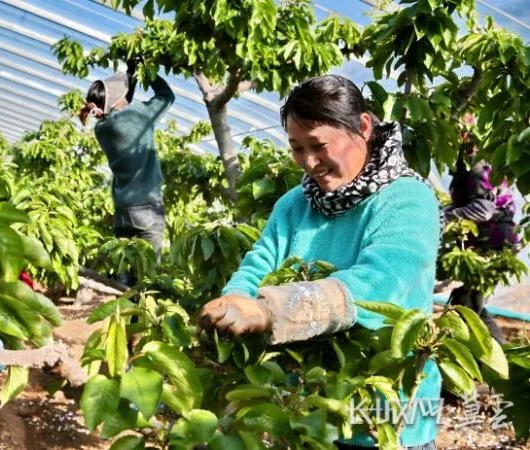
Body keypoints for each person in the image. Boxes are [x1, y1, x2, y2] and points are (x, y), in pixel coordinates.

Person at [198, 75, 440, 449]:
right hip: (305, 409)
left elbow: (382, 283)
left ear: (363, 127)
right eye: (297, 148)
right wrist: (234, 301)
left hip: (386, 413)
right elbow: (260, 263)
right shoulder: (295, 204)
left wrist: (271, 310)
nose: (309, 162)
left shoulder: (407, 199)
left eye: (319, 145)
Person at [80, 60, 175, 285]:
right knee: (148, 276)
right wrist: (147, 72)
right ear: (118, 98)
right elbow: (166, 96)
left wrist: (131, 75)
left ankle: (121, 305)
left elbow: (122, 103)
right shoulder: (137, 115)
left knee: (125, 276)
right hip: (147, 208)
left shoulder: (102, 128)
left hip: (123, 210)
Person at [444, 128, 521, 344]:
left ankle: (498, 354)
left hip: (494, 244)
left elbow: (483, 209)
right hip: (487, 243)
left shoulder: (479, 167)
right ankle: (496, 353)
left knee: (466, 306)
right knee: (467, 303)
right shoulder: (468, 167)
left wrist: (445, 216)